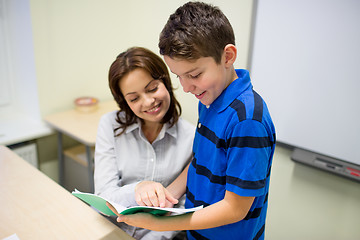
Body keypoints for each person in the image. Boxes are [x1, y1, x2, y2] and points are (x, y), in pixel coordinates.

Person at [112, 2, 276, 240]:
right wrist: (167, 197)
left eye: (195, 75)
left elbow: (235, 209)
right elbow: (200, 163)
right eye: (179, 76)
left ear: (227, 56)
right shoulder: (211, 101)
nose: (187, 87)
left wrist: (160, 225)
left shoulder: (247, 120)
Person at [94, 46, 195, 239]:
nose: (148, 101)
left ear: (165, 82)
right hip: (110, 232)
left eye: (152, 89)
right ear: (124, 101)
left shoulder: (191, 138)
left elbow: (180, 210)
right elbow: (104, 198)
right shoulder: (109, 125)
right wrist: (138, 189)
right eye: (134, 98)